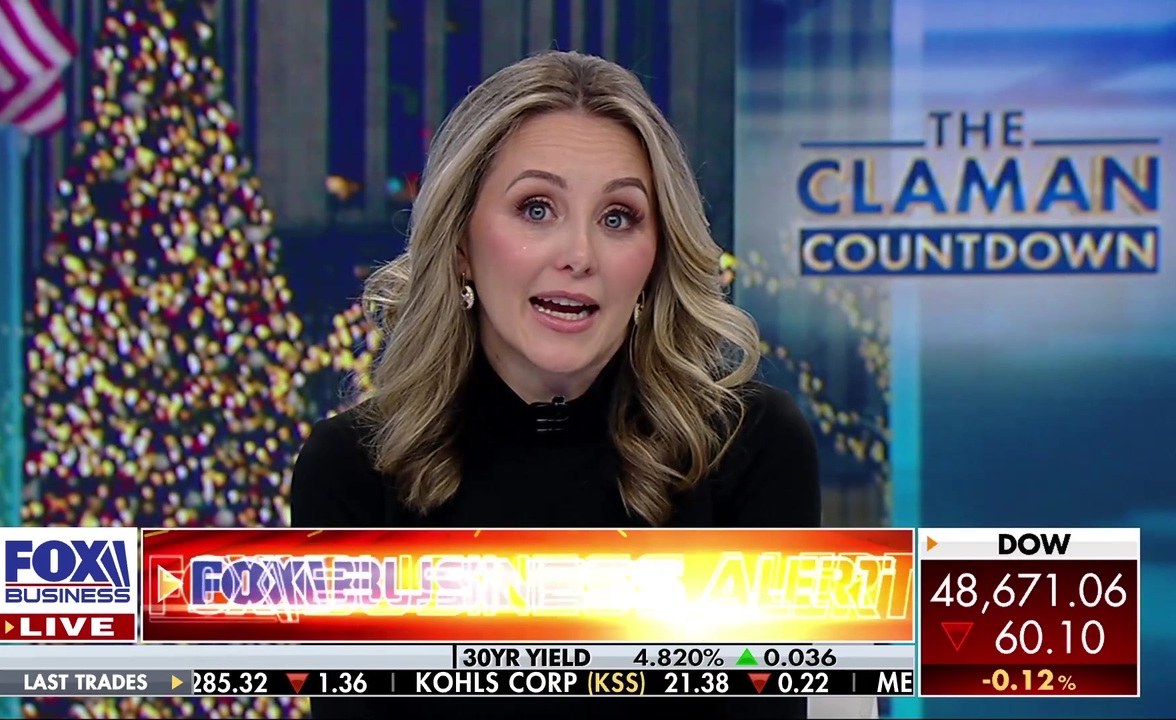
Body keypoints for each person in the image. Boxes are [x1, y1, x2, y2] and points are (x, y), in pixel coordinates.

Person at [290, 50, 820, 719]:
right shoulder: (353, 468)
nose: (579, 255)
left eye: (618, 217)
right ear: (461, 243)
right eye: (537, 208)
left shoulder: (751, 446)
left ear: (656, 257)